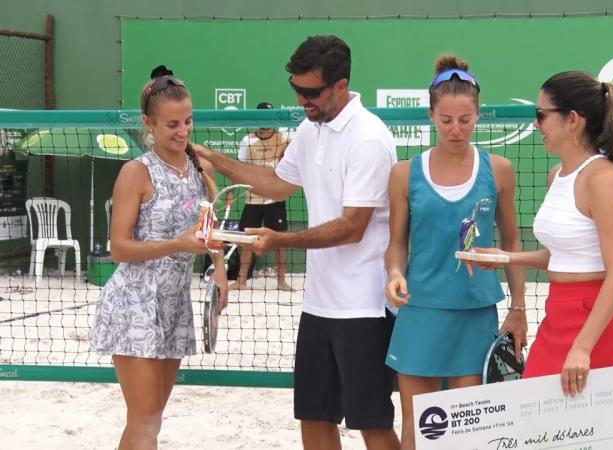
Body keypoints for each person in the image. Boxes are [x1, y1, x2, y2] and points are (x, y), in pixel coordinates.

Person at [195, 35, 400, 450]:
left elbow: (352, 227)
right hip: (319, 304)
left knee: (372, 423)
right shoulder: (310, 128)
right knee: (313, 417)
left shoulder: (369, 138)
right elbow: (276, 182)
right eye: (296, 89)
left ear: (340, 86)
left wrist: (280, 239)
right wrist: (215, 159)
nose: (302, 99)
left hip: (364, 306)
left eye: (311, 91)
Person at [476, 71, 613, 397]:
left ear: (572, 120)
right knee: (536, 425)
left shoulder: (603, 179)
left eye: (541, 115)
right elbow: (565, 256)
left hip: (602, 326)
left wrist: (583, 347)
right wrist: (507, 257)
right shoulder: (557, 174)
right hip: (558, 316)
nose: (535, 124)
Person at [383, 55, 527, 449]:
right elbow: (396, 243)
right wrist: (395, 273)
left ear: (478, 115)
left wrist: (518, 307)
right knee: (418, 431)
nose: (456, 129)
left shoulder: (498, 170)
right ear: (431, 115)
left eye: (465, 120)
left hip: (475, 314)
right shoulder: (404, 173)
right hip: (420, 310)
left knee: (467, 436)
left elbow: (512, 243)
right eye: (446, 120)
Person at [90, 73, 229, 450]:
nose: (183, 131)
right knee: (146, 420)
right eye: (172, 124)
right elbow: (118, 248)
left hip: (174, 304)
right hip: (135, 304)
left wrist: (220, 269)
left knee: (148, 421)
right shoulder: (136, 172)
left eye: (187, 121)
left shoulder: (200, 168)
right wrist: (176, 243)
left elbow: (206, 227)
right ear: (149, 124)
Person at [230, 101, 292, 291]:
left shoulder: (285, 138)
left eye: (269, 119)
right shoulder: (247, 141)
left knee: (281, 239)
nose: (265, 123)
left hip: (275, 196)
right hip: (253, 197)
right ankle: (241, 280)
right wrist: (230, 194)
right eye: (261, 119)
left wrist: (286, 152)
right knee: (245, 239)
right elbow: (237, 170)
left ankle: (281, 280)